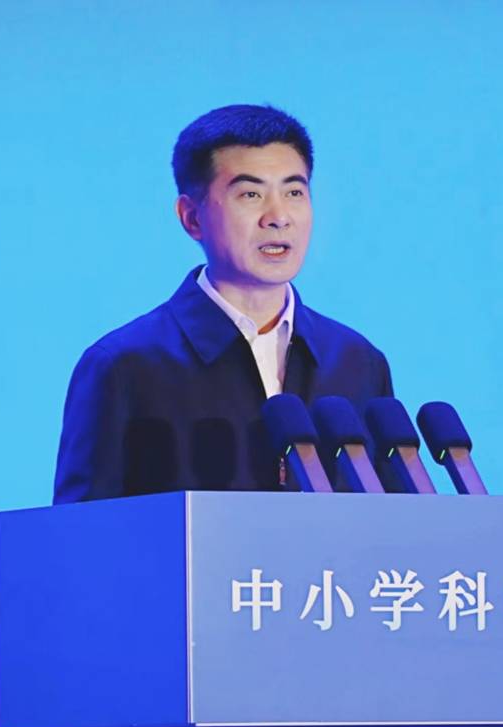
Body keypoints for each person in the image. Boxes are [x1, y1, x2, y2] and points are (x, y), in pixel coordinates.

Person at [53, 104, 394, 504]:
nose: (279, 217)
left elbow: (391, 523)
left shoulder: (356, 360)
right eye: (251, 194)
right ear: (191, 218)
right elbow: (80, 532)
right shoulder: (125, 366)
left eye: (294, 192)